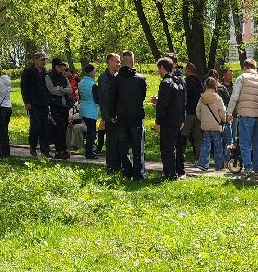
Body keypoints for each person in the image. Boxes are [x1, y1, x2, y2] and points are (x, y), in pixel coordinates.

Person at [99, 51, 146, 180]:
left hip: (121, 118)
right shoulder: (141, 79)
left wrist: (113, 114)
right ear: (132, 62)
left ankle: (127, 171)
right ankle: (138, 173)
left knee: (123, 148)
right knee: (137, 147)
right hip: (136, 117)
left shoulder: (116, 79)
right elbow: (142, 97)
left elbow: (111, 98)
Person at [228, 59, 258, 178]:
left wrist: (229, 112)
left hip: (245, 115)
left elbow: (235, 96)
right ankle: (256, 168)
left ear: (245, 67)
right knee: (257, 143)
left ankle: (248, 168)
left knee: (244, 143)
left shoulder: (242, 78)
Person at [154, 57, 187, 180]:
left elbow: (163, 105)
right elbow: (184, 102)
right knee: (177, 147)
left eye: (158, 69)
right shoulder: (179, 81)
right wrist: (183, 119)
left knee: (167, 148)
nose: (158, 72)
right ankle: (180, 170)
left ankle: (170, 174)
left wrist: (158, 122)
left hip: (168, 120)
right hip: (178, 120)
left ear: (162, 68)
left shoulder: (165, 83)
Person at [20, 53, 52, 157]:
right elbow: (24, 88)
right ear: (35, 59)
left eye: (44, 60)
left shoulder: (45, 73)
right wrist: (27, 102)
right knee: (35, 126)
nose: (43, 62)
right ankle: (33, 148)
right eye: (41, 59)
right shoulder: (28, 72)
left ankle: (45, 150)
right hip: (33, 104)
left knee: (45, 127)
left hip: (44, 103)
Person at [197, 76, 228, 170]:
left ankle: (203, 163)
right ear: (215, 85)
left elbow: (197, 111)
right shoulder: (218, 98)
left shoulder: (202, 98)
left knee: (205, 144)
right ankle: (219, 165)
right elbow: (222, 112)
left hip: (205, 125)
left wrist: (203, 119)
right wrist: (223, 120)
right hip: (216, 125)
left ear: (205, 85)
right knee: (218, 145)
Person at [45, 58, 74, 160]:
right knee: (59, 127)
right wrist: (62, 90)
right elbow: (52, 90)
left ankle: (63, 150)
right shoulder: (48, 77)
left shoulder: (63, 78)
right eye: (60, 66)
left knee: (64, 128)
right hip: (55, 105)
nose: (62, 68)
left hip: (64, 106)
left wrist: (60, 89)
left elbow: (69, 90)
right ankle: (59, 150)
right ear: (55, 66)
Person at [74, 62, 99, 159]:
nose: (95, 73)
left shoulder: (80, 83)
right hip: (91, 110)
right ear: (91, 72)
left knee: (89, 131)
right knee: (92, 133)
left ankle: (88, 150)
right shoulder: (93, 85)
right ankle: (89, 152)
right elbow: (97, 99)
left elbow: (79, 96)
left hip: (83, 109)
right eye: (94, 71)